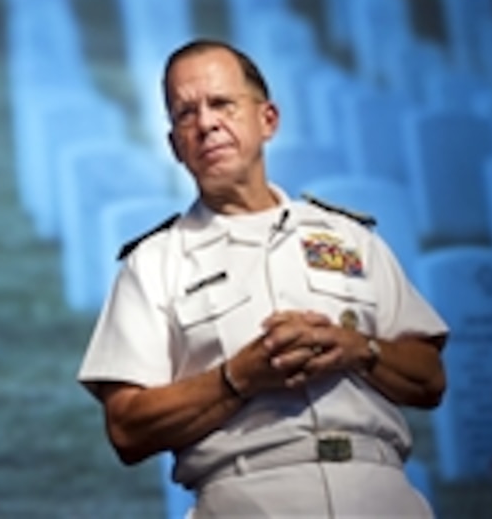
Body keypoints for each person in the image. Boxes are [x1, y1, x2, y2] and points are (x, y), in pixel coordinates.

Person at [77, 39, 448, 517]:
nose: (206, 123)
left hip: (380, 491)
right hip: (249, 495)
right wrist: (239, 377)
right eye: (185, 113)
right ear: (175, 146)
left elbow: (431, 379)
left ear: (267, 120)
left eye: (222, 104)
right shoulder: (154, 263)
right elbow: (127, 429)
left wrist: (359, 349)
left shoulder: (350, 237)